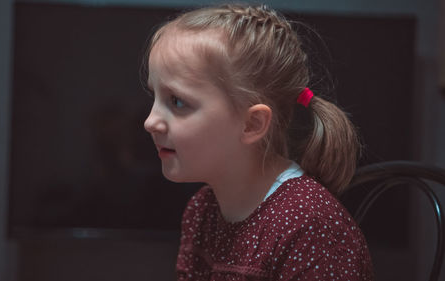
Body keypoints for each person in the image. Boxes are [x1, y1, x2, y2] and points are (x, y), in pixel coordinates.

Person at [143, 3, 373, 280]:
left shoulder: (311, 226)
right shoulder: (202, 210)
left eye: (177, 101)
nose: (150, 121)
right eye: (154, 95)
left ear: (252, 124)